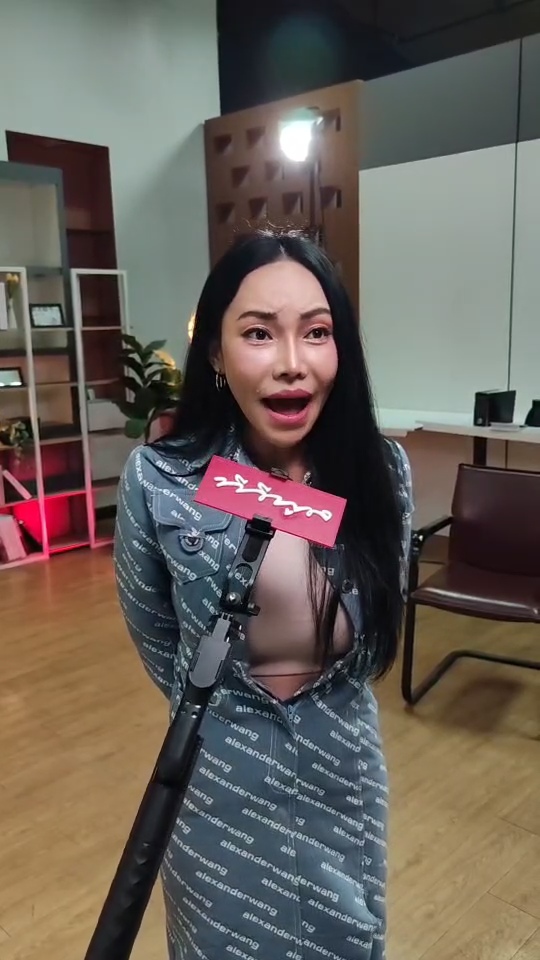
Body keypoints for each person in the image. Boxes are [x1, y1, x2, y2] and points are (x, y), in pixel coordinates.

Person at [114, 229, 413, 960]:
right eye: (257, 333)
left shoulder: (382, 473)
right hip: (217, 782)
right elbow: (158, 639)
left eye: (316, 332)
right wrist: (226, 714)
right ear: (216, 353)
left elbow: (381, 612)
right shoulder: (160, 480)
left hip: (342, 775)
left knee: (347, 940)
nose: (291, 363)